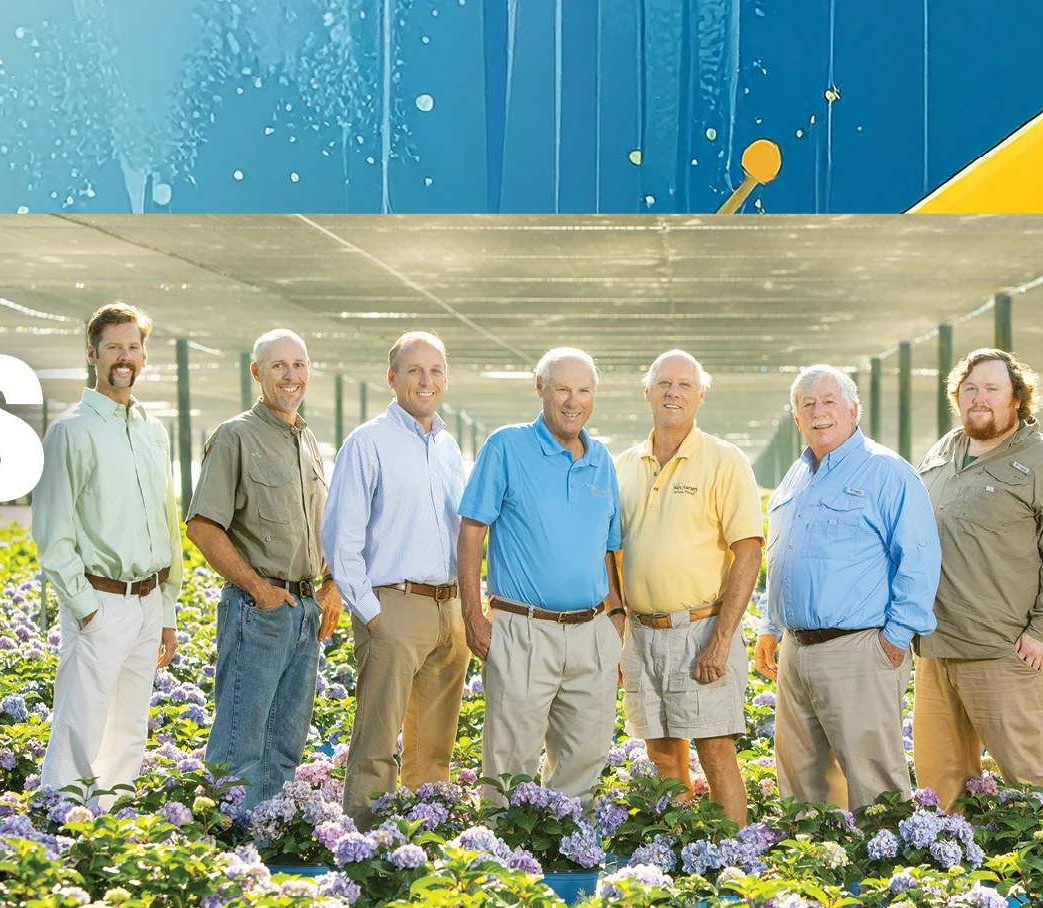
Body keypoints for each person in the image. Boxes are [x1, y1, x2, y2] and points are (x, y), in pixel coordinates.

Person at [912, 349, 1043, 810]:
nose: (979, 398)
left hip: (1004, 651)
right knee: (941, 782)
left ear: (1017, 398)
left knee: (1031, 777)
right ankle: (951, 869)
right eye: (969, 389)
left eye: (992, 388)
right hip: (935, 648)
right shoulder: (942, 451)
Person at [755, 365, 940, 810]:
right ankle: (817, 870)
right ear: (797, 419)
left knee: (873, 780)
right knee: (801, 780)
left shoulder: (886, 471)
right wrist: (770, 625)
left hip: (860, 650)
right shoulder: (795, 478)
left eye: (828, 401)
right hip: (797, 653)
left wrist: (894, 640)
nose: (818, 412)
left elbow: (919, 557)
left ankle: (884, 874)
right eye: (807, 404)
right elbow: (781, 557)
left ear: (854, 409)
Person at [457, 348, 627, 805]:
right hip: (523, 629)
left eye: (584, 390)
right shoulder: (506, 447)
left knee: (585, 760)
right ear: (541, 389)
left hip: (591, 633)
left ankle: (564, 863)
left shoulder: (601, 461)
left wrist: (617, 618)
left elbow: (610, 547)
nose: (574, 401)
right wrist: (472, 614)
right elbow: (472, 529)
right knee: (508, 765)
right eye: (563, 389)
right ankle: (501, 866)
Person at [186, 329, 343, 806]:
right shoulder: (235, 436)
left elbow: (325, 524)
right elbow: (202, 527)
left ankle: (268, 846)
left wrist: (331, 584)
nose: (291, 375)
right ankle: (228, 846)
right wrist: (259, 590)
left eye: (299, 365)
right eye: (279, 366)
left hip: (304, 609)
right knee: (241, 743)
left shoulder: (308, 439)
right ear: (257, 372)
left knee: (285, 745)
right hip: (260, 609)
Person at [31, 303, 182, 793]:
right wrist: (87, 611)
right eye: (114, 347)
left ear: (143, 357)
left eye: (133, 347)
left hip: (149, 599)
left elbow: (167, 524)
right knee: (81, 721)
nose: (125, 356)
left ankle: (112, 822)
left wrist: (167, 611)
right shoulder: (71, 431)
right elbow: (52, 535)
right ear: (92, 355)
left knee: (129, 724)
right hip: (102, 600)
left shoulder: (152, 431)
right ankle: (59, 822)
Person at [321, 331, 470, 823]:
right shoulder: (368, 443)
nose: (426, 382)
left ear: (445, 379)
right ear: (392, 379)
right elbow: (340, 538)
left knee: (435, 745)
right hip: (394, 606)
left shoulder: (450, 448)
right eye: (414, 371)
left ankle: (424, 835)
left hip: (448, 609)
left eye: (435, 371)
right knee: (376, 743)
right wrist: (372, 613)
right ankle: (365, 839)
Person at [613, 350, 763, 826]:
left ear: (700, 395)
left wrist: (720, 638)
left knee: (716, 750)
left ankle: (735, 863)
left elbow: (749, 550)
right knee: (660, 753)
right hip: (639, 631)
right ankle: (680, 854)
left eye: (683, 385)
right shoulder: (622, 465)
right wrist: (618, 626)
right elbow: (608, 553)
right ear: (647, 393)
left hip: (700, 629)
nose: (672, 392)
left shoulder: (724, 460)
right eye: (663, 384)